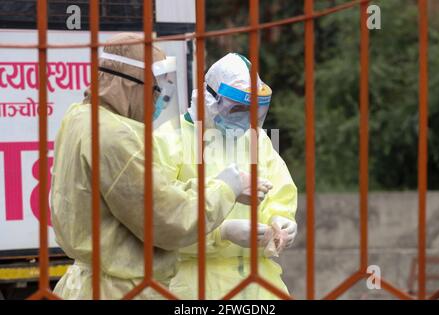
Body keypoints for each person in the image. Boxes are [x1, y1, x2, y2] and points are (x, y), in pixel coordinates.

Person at [50, 34, 271, 300]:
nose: (158, 102)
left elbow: (152, 193)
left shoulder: (79, 118)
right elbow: (168, 219)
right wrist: (225, 190)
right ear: (131, 84)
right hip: (122, 288)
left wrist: (214, 187)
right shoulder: (116, 136)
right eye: (155, 90)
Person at [159, 53, 298, 299]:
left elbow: (279, 191)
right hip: (194, 285)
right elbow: (160, 222)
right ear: (209, 100)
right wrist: (220, 233)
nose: (246, 118)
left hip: (260, 286)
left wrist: (281, 221)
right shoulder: (170, 141)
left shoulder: (257, 140)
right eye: (238, 109)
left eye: (253, 110)